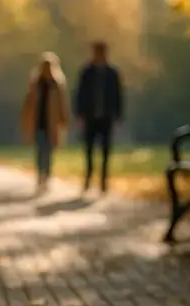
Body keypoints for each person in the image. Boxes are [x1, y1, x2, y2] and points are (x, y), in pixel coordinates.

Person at [74, 41, 123, 194]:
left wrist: (118, 115)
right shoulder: (87, 72)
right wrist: (80, 114)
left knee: (105, 150)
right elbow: (79, 94)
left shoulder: (112, 73)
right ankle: (88, 178)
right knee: (89, 150)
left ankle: (103, 180)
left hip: (106, 117)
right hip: (90, 117)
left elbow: (118, 95)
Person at [20, 52, 69, 194]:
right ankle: (40, 175)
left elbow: (62, 105)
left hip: (51, 124)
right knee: (40, 150)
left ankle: (46, 175)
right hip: (38, 122)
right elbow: (28, 104)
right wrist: (26, 121)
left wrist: (63, 120)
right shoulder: (35, 85)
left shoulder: (57, 85)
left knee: (48, 151)